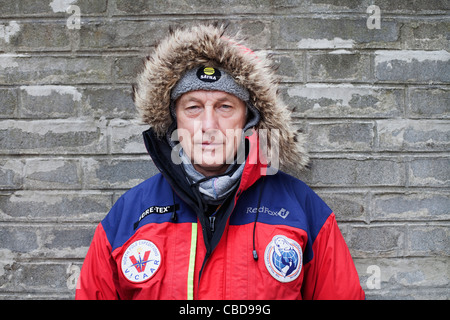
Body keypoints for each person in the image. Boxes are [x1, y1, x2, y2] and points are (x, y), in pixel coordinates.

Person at [75, 24, 365, 300]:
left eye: (225, 107)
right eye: (193, 108)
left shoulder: (303, 211)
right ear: (175, 119)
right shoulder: (129, 217)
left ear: (248, 120)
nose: (208, 125)